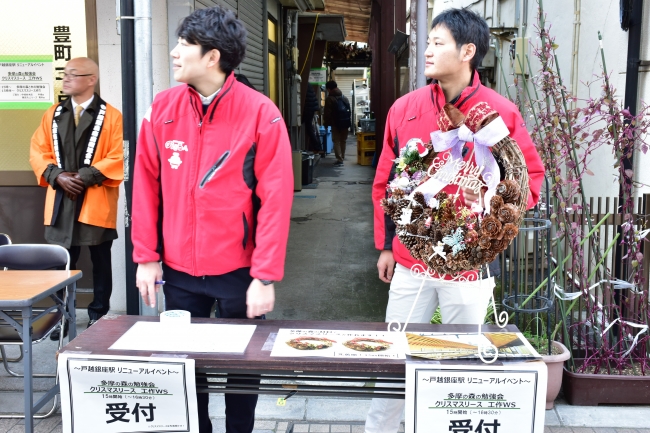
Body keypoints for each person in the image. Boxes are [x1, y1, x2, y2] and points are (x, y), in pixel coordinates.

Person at [366, 8, 545, 433]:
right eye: (427, 42)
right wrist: (387, 244)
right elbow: (386, 180)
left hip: (469, 265)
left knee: (461, 359)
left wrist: (489, 218)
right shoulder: (405, 109)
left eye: (437, 43)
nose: (427, 50)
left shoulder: (500, 113)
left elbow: (529, 180)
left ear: (467, 52)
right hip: (411, 260)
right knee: (397, 355)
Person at [131, 6, 293, 433]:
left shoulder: (261, 113)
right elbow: (145, 185)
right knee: (188, 370)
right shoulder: (162, 109)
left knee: (243, 369)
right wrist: (146, 256)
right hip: (179, 272)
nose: (173, 53)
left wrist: (265, 275)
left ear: (212, 57)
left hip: (240, 270)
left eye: (184, 45)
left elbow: (276, 201)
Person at [29, 57, 123, 340]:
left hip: (95, 197)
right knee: (60, 263)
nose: (65, 79)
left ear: (91, 79)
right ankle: (61, 317)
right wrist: (56, 175)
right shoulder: (53, 114)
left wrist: (84, 176)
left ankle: (98, 315)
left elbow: (118, 155)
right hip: (61, 201)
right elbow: (38, 150)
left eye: (72, 74)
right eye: (64, 74)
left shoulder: (112, 116)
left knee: (100, 260)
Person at [323, 80, 351, 166]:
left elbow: (327, 113)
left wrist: (326, 124)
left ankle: (339, 159)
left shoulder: (329, 99)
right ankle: (342, 156)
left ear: (328, 89)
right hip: (345, 122)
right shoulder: (344, 97)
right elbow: (349, 110)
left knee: (336, 141)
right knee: (343, 140)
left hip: (335, 123)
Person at [302, 85, 323, 153]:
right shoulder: (309, 86)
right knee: (310, 128)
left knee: (309, 128)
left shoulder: (304, 85)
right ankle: (317, 147)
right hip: (311, 109)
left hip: (307, 109)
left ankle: (316, 147)